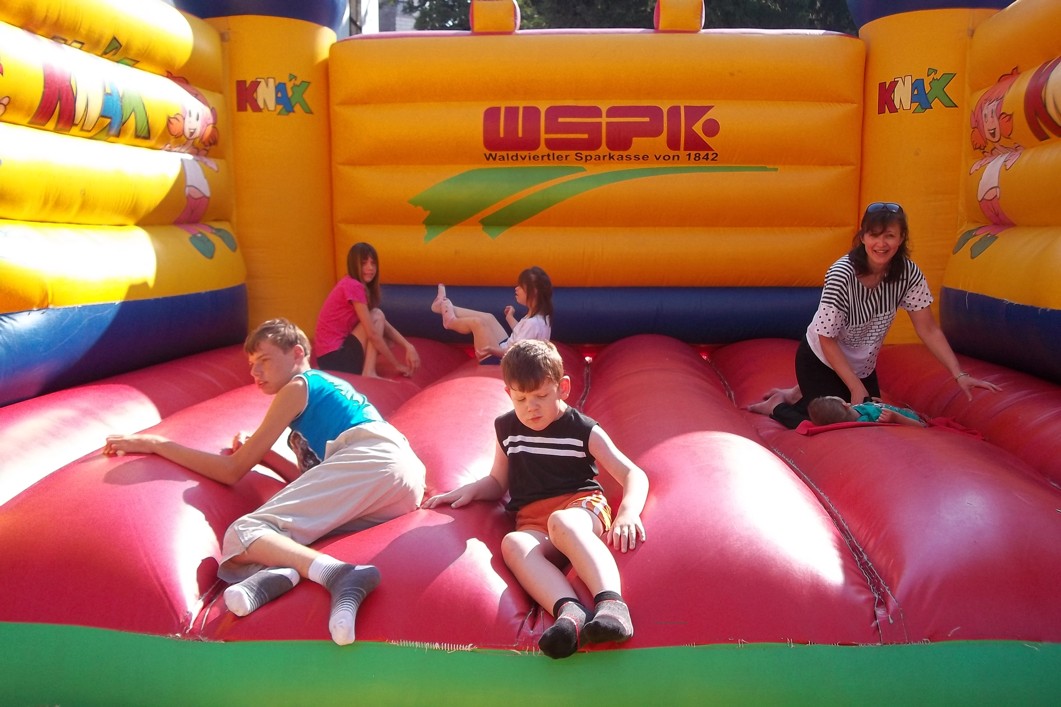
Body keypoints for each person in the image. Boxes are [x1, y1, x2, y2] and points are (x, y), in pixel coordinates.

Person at [103, 318, 426, 645]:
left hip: (371, 460)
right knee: (290, 537)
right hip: (402, 480)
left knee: (245, 532)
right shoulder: (324, 393)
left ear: (297, 353)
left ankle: (341, 574)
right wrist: (267, 456)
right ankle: (284, 575)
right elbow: (316, 483)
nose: (255, 372)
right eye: (251, 364)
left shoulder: (298, 386)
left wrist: (157, 444)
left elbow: (231, 470)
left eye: (265, 360)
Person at [423, 339, 649, 659]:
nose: (531, 407)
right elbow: (497, 481)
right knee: (513, 543)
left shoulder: (582, 430)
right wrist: (469, 490)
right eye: (521, 398)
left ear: (562, 388)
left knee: (562, 522)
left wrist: (628, 512)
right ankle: (569, 613)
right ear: (508, 394)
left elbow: (633, 473)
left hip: (581, 507)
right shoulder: (506, 428)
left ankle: (612, 605)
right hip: (533, 521)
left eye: (541, 396)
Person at [748, 201, 999, 429]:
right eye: (874, 235)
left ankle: (797, 393)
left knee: (871, 418)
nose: (881, 244)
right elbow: (826, 339)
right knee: (833, 423)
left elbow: (928, 329)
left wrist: (959, 374)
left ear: (901, 238)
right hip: (821, 358)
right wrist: (855, 387)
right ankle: (777, 406)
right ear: (863, 237)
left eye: (889, 236)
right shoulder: (842, 274)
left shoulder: (908, 274)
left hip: (862, 366)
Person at [316, 242, 420, 378]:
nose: (370, 268)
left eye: (373, 263)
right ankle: (369, 371)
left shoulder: (350, 283)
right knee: (377, 316)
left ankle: (368, 369)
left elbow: (384, 325)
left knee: (385, 334)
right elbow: (372, 333)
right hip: (335, 359)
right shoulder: (353, 286)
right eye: (364, 263)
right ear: (354, 265)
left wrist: (408, 346)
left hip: (327, 359)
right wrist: (396, 364)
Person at [430, 266, 553, 362]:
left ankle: (451, 322)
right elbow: (522, 333)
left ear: (534, 292)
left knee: (477, 322)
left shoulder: (533, 323)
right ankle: (441, 306)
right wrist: (509, 317)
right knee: (489, 317)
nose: (516, 288)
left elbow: (515, 353)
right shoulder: (540, 317)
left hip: (502, 360)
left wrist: (491, 350)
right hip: (506, 349)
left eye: (521, 286)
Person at [808, 395, 925, 427]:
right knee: (921, 424)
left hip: (905, 411)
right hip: (913, 421)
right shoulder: (864, 422)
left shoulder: (854, 410)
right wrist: (896, 418)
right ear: (845, 405)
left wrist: (872, 404)